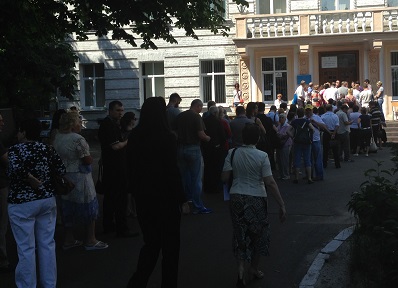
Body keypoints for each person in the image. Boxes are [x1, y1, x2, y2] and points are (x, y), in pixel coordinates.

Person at [126, 97, 189, 288]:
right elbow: (172, 171)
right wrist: (182, 199)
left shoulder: (135, 136)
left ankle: (137, 282)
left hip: (144, 198)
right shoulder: (168, 137)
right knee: (171, 248)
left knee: (151, 244)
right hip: (167, 199)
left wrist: (134, 192)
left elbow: (131, 167)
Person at [221, 124, 286, 287]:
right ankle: (254, 269)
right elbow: (270, 182)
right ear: (257, 138)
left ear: (243, 137)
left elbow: (224, 178)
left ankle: (241, 269)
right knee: (258, 234)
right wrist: (281, 204)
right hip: (257, 198)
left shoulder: (232, 153)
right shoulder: (262, 156)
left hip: (236, 197)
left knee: (240, 234)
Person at [7, 118, 65, 287]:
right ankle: (49, 284)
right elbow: (61, 169)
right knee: (47, 244)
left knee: (26, 248)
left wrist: (29, 177)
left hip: (21, 203)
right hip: (46, 199)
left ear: (24, 132)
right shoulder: (47, 149)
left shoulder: (15, 151)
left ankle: (27, 285)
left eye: (19, 130)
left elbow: (13, 171)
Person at [53, 112, 108, 250]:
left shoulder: (57, 137)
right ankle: (90, 239)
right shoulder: (78, 139)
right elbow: (87, 159)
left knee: (67, 208)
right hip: (79, 176)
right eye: (79, 121)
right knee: (89, 207)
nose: (81, 125)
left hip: (64, 177)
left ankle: (69, 240)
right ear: (72, 124)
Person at [98, 101, 139, 237]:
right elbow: (116, 146)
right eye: (117, 110)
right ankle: (122, 228)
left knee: (110, 198)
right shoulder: (108, 125)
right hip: (116, 168)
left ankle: (109, 225)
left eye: (122, 110)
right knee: (120, 198)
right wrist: (129, 140)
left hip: (113, 166)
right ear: (110, 110)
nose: (120, 113)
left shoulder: (111, 124)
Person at [176, 99, 212, 214]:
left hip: (180, 148)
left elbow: (173, 131)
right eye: (201, 107)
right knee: (196, 179)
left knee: (184, 177)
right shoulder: (196, 117)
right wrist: (208, 138)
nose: (201, 110)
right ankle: (198, 206)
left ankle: (185, 202)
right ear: (198, 106)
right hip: (193, 149)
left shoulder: (181, 115)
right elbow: (201, 134)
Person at [202, 106, 226, 194]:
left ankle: (207, 187)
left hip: (206, 147)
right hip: (216, 148)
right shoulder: (218, 121)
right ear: (215, 113)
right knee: (216, 167)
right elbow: (222, 135)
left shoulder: (204, 120)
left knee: (208, 167)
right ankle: (215, 187)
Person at [288, 107, 315, 184]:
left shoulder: (294, 122)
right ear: (304, 113)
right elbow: (312, 129)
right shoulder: (306, 121)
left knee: (297, 159)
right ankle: (309, 178)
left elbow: (288, 131)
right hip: (306, 142)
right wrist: (310, 136)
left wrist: (293, 137)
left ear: (297, 113)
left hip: (297, 142)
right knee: (307, 159)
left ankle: (296, 178)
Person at [0, 113, 10, 273]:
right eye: (0, 120)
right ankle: (2, 261)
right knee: (1, 224)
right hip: (0, 185)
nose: (2, 123)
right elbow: (7, 160)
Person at [321, 104, 341, 168]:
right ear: (331, 109)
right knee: (335, 149)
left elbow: (323, 125)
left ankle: (324, 164)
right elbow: (337, 125)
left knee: (325, 149)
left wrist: (329, 132)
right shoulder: (335, 116)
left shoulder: (323, 116)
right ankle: (337, 164)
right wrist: (334, 133)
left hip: (326, 133)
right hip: (334, 132)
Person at [275, 113, 292, 180]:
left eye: (282, 117)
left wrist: (278, 134)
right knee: (279, 160)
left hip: (286, 144)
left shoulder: (287, 126)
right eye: (280, 117)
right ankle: (281, 174)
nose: (280, 119)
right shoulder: (279, 126)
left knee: (285, 160)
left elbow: (284, 135)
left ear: (285, 119)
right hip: (279, 144)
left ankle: (286, 174)